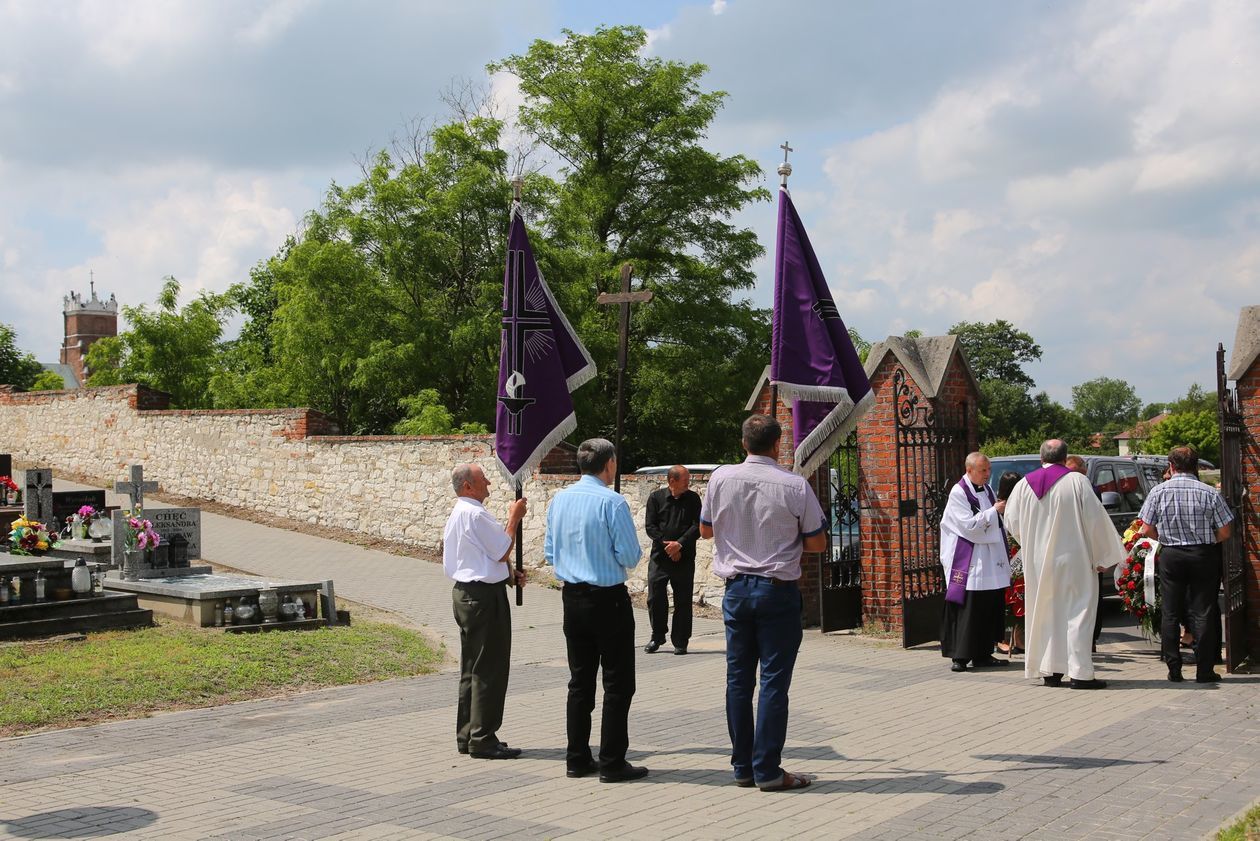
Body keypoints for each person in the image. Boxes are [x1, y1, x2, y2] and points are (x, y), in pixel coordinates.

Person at [699, 414, 826, 792]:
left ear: (743, 444)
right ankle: (767, 769)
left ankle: (742, 766)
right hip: (776, 589)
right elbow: (817, 542)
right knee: (773, 682)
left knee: (738, 681)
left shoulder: (720, 478)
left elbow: (706, 530)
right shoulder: (795, 485)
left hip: (736, 590)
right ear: (778, 444)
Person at [544, 438, 647, 782]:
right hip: (607, 598)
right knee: (618, 683)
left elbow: (550, 553)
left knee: (580, 681)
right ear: (609, 465)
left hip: (572, 598)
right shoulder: (612, 502)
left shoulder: (559, 499)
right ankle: (613, 761)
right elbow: (631, 556)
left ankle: (576, 758)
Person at [1004, 439, 1125, 689]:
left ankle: (1051, 671)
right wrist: (1103, 557)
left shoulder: (1024, 485)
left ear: (1041, 458)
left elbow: (1012, 522)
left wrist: (1031, 542)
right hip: (1075, 558)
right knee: (1078, 613)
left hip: (1038, 561)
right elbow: (1096, 521)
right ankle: (1080, 674)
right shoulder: (1077, 481)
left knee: (1046, 612)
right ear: (1064, 457)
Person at [443, 463, 528, 759]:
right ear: (468, 486)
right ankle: (483, 737)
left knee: (472, 667)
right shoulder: (475, 514)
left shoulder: (460, 512)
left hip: (468, 593)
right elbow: (502, 549)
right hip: (482, 598)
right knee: (489, 667)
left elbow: (480, 557)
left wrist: (507, 574)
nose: (489, 483)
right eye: (483, 479)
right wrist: (514, 518)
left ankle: (468, 733)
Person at [1138, 446, 1234, 683]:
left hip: (1172, 555)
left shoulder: (1158, 491)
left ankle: (1174, 669)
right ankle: (1204, 670)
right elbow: (1225, 531)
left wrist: (1167, 541)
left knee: (1170, 612)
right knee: (1203, 612)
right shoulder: (1210, 493)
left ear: (1171, 466)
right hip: (1202, 553)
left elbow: (1146, 528)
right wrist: (1208, 540)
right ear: (1196, 467)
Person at [938, 452, 1012, 672]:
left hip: (988, 559)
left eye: (989, 470)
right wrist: (994, 511)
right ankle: (960, 656)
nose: (988, 475)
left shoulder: (987, 490)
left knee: (988, 605)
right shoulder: (958, 493)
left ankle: (983, 654)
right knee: (969, 607)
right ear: (969, 470)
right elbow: (968, 527)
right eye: (983, 470)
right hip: (968, 559)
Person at [644, 465, 702, 655]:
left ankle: (681, 641)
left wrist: (680, 544)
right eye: (685, 480)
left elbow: (697, 526)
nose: (689, 483)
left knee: (683, 600)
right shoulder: (656, 498)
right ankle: (657, 636)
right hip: (660, 557)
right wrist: (667, 546)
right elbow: (650, 527)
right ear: (672, 481)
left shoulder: (693, 499)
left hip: (684, 557)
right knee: (655, 596)